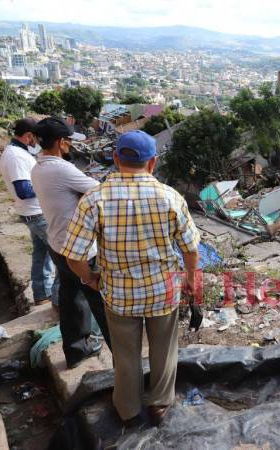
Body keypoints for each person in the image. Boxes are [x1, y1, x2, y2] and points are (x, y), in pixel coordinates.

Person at [61, 130, 200, 426]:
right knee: (164, 349)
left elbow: (73, 256)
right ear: (153, 163)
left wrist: (90, 279)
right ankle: (160, 404)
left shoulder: (93, 199)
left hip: (119, 296)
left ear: (114, 159)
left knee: (125, 356)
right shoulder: (170, 197)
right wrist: (189, 278)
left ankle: (127, 409)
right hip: (163, 291)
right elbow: (190, 248)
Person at [31, 117, 112, 369]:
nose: (69, 145)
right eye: (67, 140)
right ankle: (123, 354)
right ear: (59, 142)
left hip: (58, 243)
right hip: (80, 249)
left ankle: (77, 350)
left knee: (71, 297)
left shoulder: (38, 167)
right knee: (100, 300)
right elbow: (100, 191)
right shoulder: (61, 169)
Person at [0, 118, 58, 306]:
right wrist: (47, 186)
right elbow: (23, 191)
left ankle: (42, 294)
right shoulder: (16, 156)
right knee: (62, 257)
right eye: (36, 138)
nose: (38, 142)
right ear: (28, 136)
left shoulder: (17, 152)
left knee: (42, 254)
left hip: (32, 213)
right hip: (36, 213)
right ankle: (58, 300)